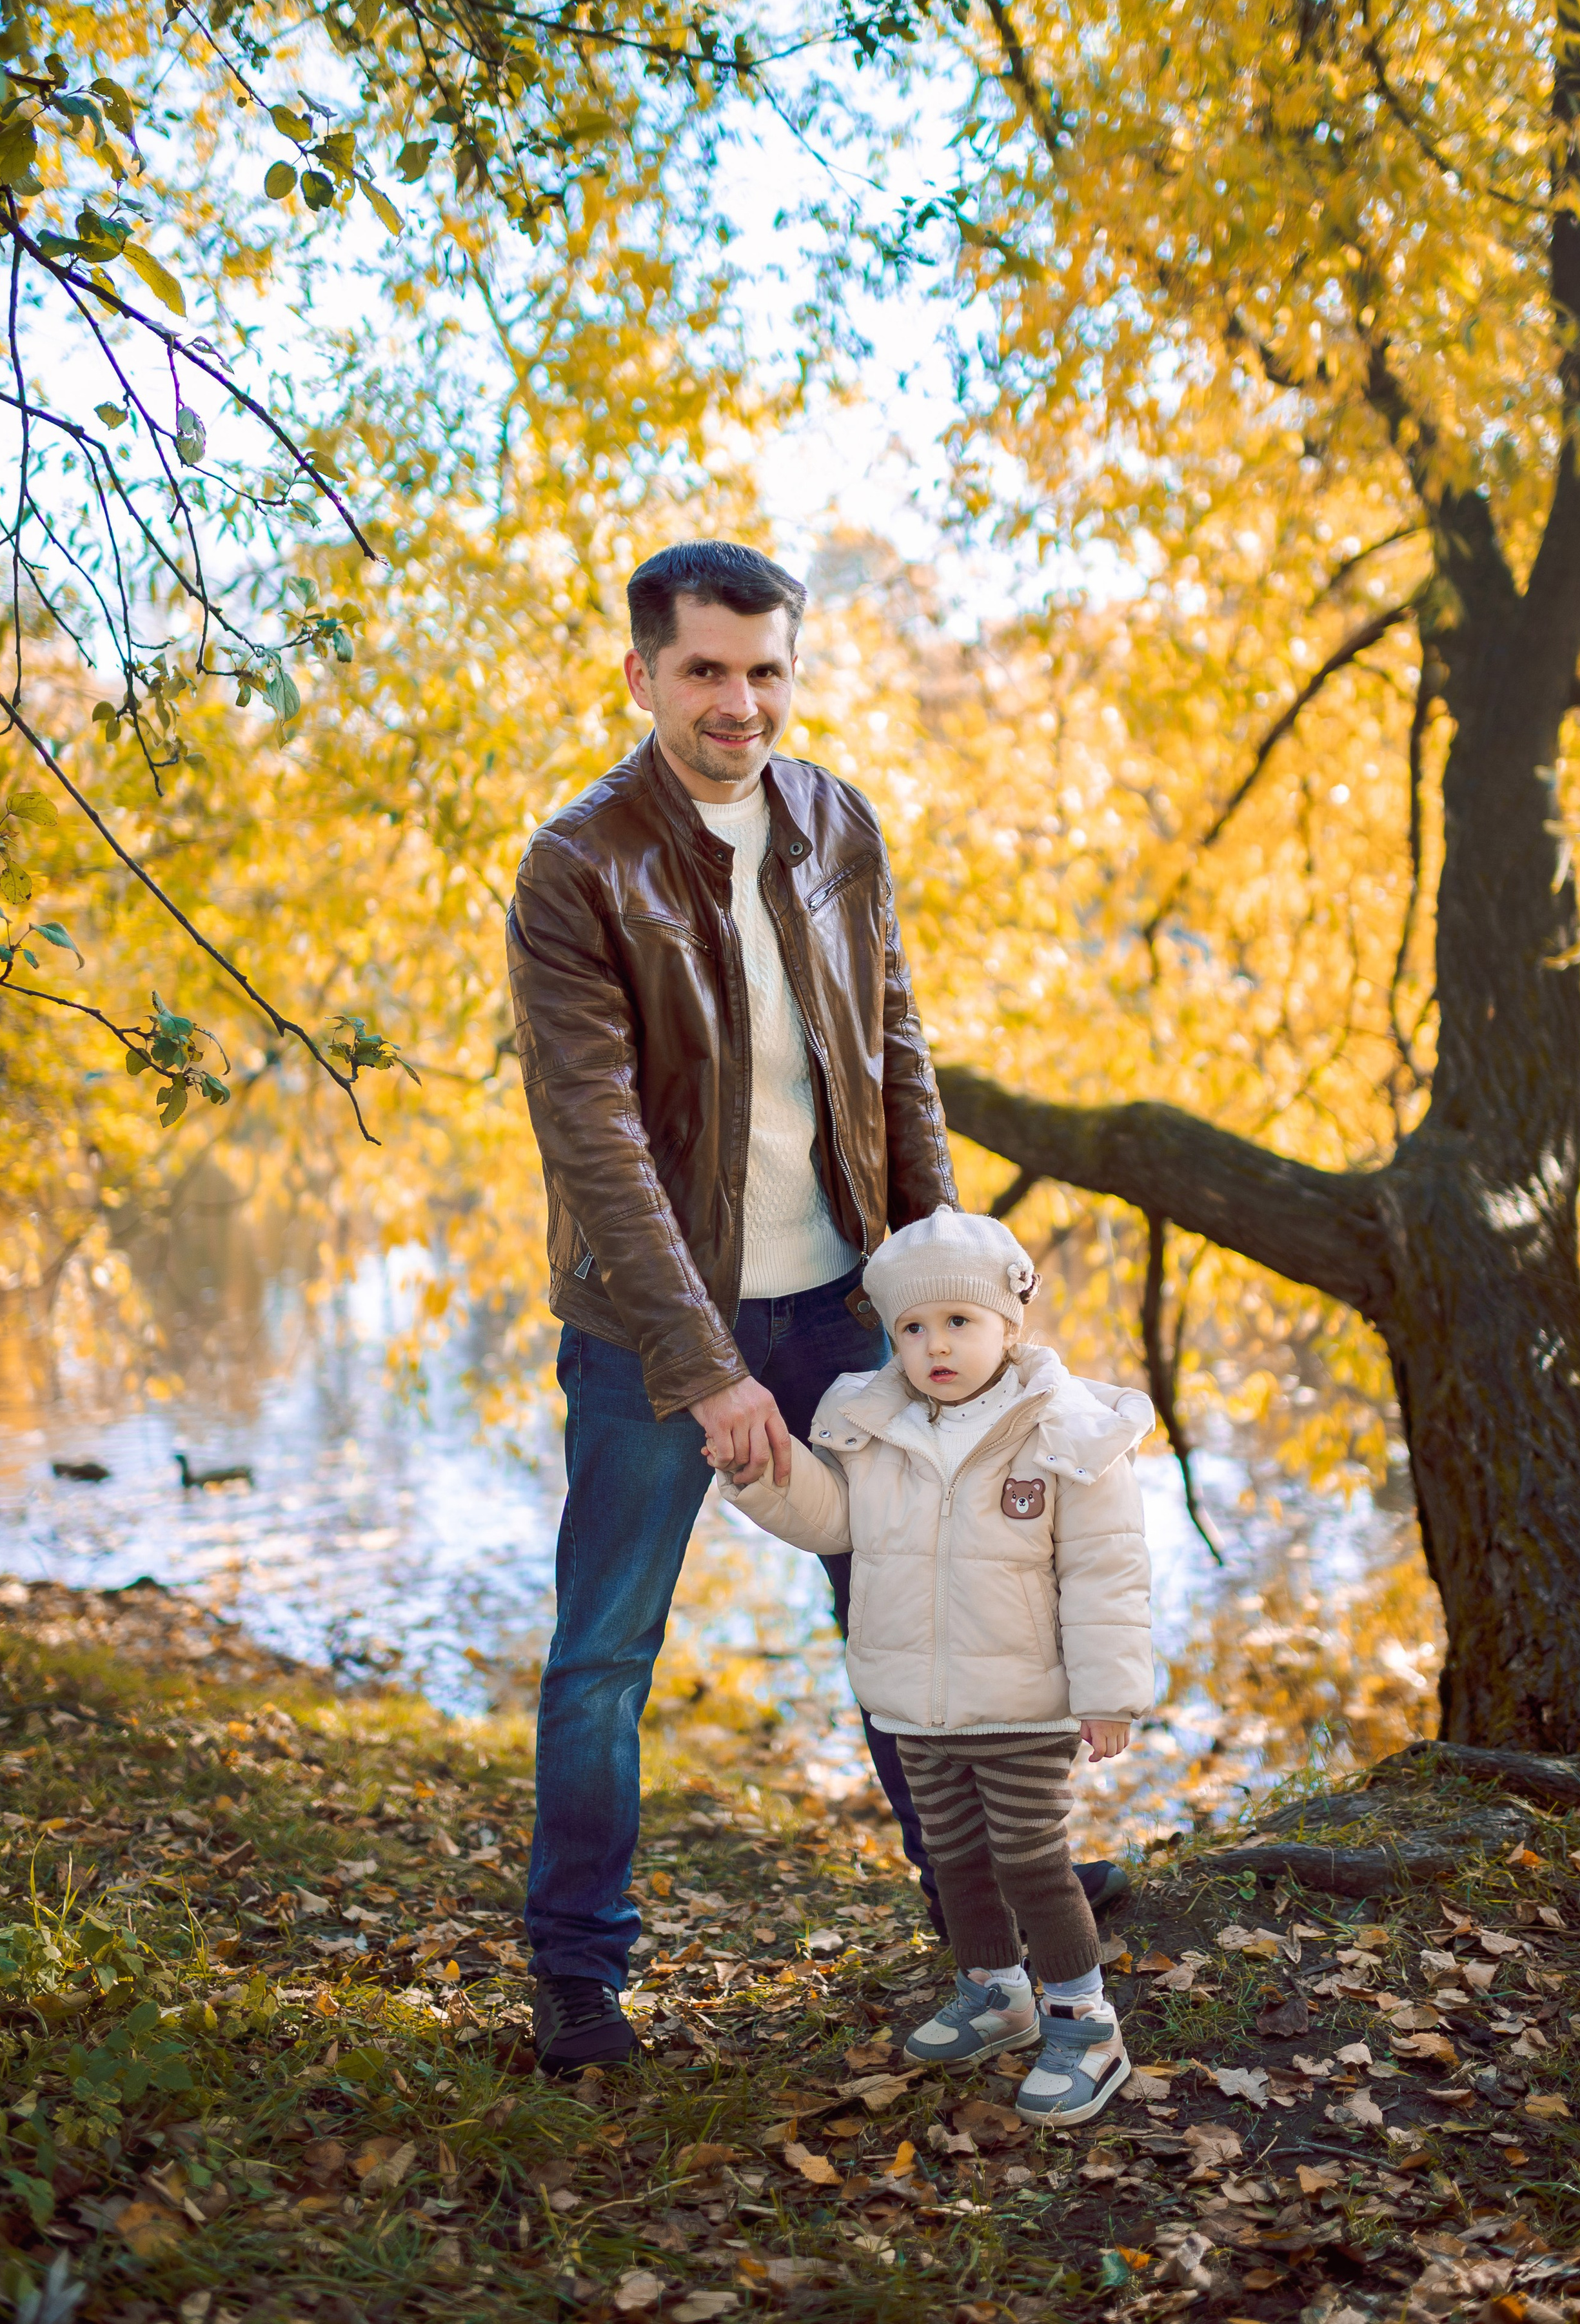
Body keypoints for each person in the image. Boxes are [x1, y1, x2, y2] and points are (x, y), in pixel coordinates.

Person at [506, 539, 960, 2074]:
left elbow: (892, 1045)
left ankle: (979, 1907)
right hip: (652, 1332)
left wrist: (936, 1271)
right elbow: (596, 1141)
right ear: (641, 674)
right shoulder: (578, 865)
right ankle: (577, 1977)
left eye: (765, 670)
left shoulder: (835, 823)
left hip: (838, 1304)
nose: (739, 702)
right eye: (705, 669)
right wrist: (703, 1369)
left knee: (907, 1614)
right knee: (604, 1655)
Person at [715, 1206, 1155, 2127]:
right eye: (913, 1329)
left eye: (959, 1322)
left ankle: (1086, 2024)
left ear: (1009, 1325)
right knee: (955, 1857)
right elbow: (833, 1523)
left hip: (1026, 1700)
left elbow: (1107, 1570)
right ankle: (996, 1994)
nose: (935, 1345)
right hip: (915, 1702)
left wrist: (1110, 1694)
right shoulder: (872, 1427)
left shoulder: (1066, 1431)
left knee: (1031, 1859)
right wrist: (765, 1476)